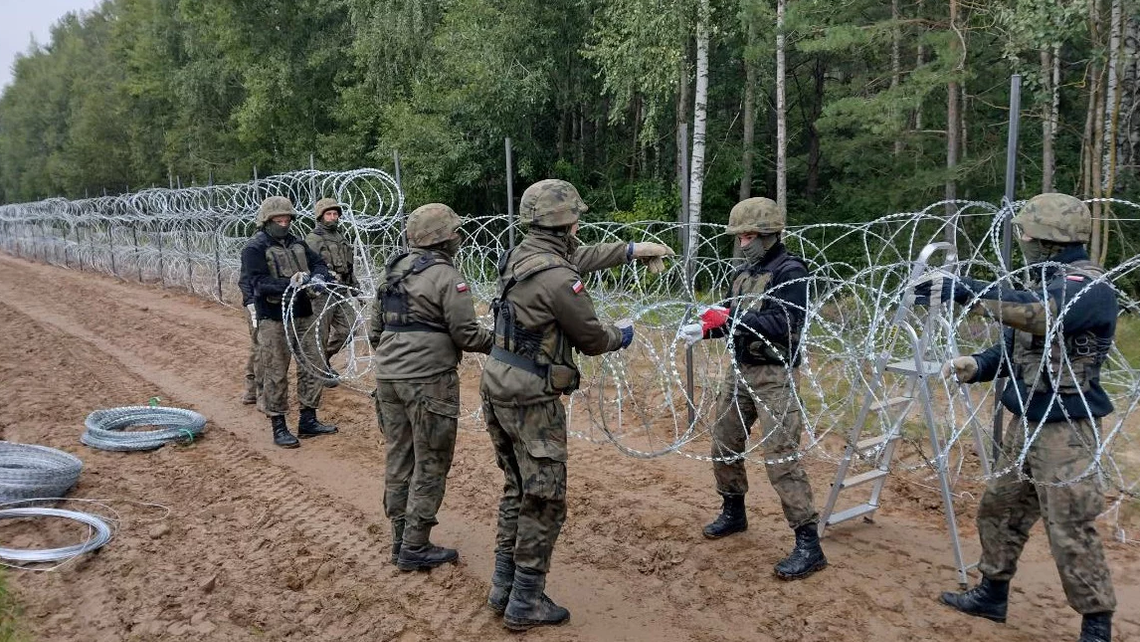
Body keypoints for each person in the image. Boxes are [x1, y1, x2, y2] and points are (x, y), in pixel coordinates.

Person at [922, 193, 1116, 642]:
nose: (1022, 238)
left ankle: (1096, 624)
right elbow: (1016, 347)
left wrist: (967, 290)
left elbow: (1042, 318)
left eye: (1027, 232)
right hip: (1025, 422)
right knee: (1000, 509)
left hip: (1066, 430)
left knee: (1068, 524)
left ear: (1049, 238)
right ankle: (992, 593)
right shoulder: (1042, 280)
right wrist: (979, 364)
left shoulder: (1088, 285)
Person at [480, 179, 654, 630]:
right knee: (545, 497)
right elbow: (591, 338)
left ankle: (503, 585)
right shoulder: (560, 277)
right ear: (566, 221)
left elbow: (580, 257)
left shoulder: (522, 254)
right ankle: (525, 603)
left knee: (517, 486)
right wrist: (624, 334)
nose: (580, 224)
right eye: (576, 216)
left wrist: (632, 250)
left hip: (498, 379)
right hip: (531, 393)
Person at [680, 196, 827, 581]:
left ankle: (808, 544)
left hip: (775, 375)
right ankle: (733, 511)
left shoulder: (791, 271)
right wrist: (707, 328)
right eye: (740, 236)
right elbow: (731, 319)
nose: (742, 243)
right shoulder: (743, 273)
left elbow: (786, 323)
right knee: (723, 442)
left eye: (748, 235)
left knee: (781, 457)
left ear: (768, 233)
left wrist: (732, 317)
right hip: (740, 369)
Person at [368, 203, 492, 571]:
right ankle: (415, 546)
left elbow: (375, 330)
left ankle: (399, 540)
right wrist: (501, 342)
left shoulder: (393, 270)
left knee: (399, 456)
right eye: (454, 231)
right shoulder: (445, 275)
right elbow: (466, 334)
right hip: (429, 380)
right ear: (443, 238)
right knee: (432, 460)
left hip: (388, 377)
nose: (459, 237)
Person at [240, 195, 339, 448]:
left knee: (311, 364)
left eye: (287, 219)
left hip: (304, 313)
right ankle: (279, 425)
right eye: (278, 219)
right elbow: (259, 283)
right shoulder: (255, 248)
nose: (283, 223)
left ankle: (308, 419)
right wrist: (291, 284)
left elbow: (319, 264)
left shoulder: (297, 243)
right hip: (273, 317)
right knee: (276, 370)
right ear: (266, 221)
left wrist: (317, 278)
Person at [305, 198, 357, 385]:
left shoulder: (340, 237)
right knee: (321, 334)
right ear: (321, 216)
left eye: (335, 214)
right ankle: (319, 370)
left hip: (341, 290)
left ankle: (323, 359)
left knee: (350, 328)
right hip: (322, 293)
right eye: (329, 214)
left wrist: (354, 284)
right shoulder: (313, 239)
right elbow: (308, 267)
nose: (333, 217)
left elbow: (348, 265)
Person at [238, 259, 260, 405]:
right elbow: (245, 281)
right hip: (257, 305)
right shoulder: (256, 246)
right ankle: (252, 389)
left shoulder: (290, 244)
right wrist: (251, 304)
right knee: (259, 346)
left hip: (280, 304)